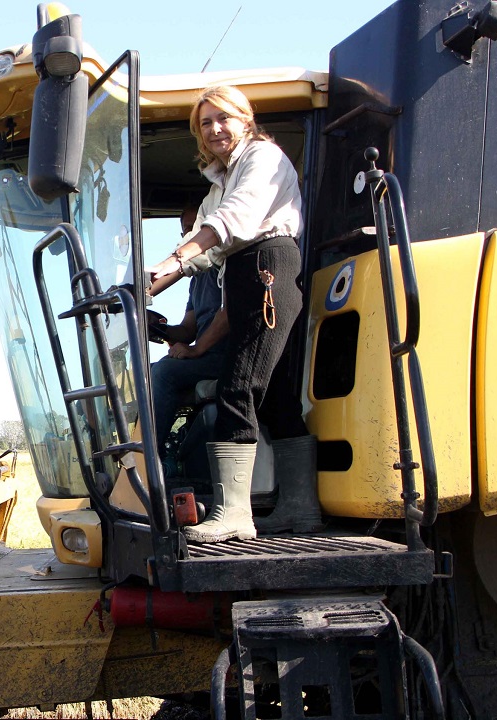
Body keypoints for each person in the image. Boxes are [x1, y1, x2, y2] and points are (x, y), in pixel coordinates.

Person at [147, 85, 321, 543]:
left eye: (223, 118)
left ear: (245, 119)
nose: (215, 128)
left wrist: (173, 261)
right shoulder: (216, 184)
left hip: (269, 269)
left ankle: (233, 513)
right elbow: (201, 254)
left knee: (237, 387)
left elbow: (231, 223)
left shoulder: (261, 157)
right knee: (278, 396)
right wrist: (148, 285)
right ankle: (301, 510)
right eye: (205, 123)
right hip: (245, 273)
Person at [148, 206, 228, 462]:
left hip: (228, 355)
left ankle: (150, 462)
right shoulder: (198, 278)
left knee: (163, 373)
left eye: (194, 229)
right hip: (205, 356)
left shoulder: (227, 266)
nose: (188, 235)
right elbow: (188, 329)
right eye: (185, 230)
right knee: (144, 374)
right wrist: (159, 329)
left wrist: (195, 350)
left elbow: (229, 314)